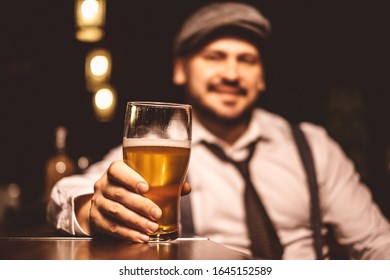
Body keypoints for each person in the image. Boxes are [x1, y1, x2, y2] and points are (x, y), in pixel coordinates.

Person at [47, 2, 390, 259]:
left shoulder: (313, 146)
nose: (231, 73)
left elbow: (377, 243)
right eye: (215, 56)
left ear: (262, 78)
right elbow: (67, 191)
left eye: (247, 60)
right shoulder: (158, 150)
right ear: (180, 70)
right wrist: (91, 209)